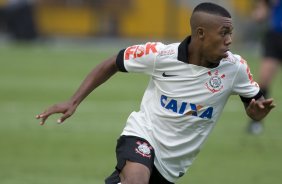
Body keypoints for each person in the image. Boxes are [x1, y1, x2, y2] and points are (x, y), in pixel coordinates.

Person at [36, 2, 275, 184]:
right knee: (137, 179)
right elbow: (113, 62)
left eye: (231, 33)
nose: (230, 40)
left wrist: (257, 114)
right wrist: (73, 101)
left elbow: (256, 106)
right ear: (200, 33)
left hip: (172, 166)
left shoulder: (235, 68)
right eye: (224, 33)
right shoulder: (161, 55)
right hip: (143, 135)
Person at [247, 0, 281, 134]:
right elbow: (261, 12)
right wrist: (260, 12)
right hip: (275, 37)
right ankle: (256, 122)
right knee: (264, 79)